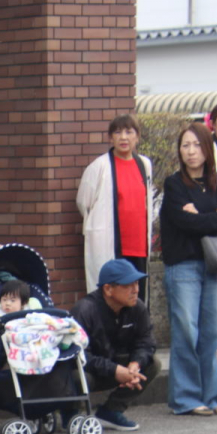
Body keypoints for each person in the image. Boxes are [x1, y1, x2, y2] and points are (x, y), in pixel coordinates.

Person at [159, 121, 217, 417]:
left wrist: (202, 214)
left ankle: (212, 396)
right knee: (186, 332)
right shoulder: (175, 184)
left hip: (213, 266)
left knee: (211, 332)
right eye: (185, 145)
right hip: (183, 267)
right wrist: (211, 215)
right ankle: (187, 399)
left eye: (196, 145)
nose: (190, 152)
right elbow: (184, 223)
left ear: (207, 149)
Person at [71, 259, 159, 431]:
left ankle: (111, 411)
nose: (136, 290)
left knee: (153, 363)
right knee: (77, 376)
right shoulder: (85, 310)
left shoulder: (137, 307)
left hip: (116, 365)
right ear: (108, 289)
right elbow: (78, 355)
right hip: (91, 369)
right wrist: (115, 370)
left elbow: (146, 341)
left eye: (136, 283)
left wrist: (135, 364)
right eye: (128, 285)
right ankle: (71, 415)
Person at [76, 114, 155, 300]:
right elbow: (83, 202)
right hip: (112, 245)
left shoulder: (144, 164)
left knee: (137, 300)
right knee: (112, 299)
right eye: (118, 132)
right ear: (110, 138)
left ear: (137, 136)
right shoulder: (99, 166)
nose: (124, 137)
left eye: (129, 132)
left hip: (139, 246)